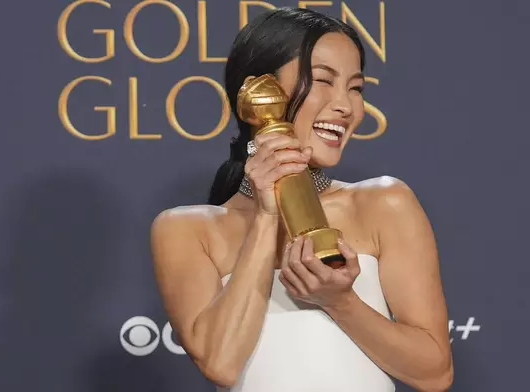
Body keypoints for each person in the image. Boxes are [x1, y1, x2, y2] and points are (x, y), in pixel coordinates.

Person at [151, 7, 453, 392]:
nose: (346, 106)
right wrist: (265, 216)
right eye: (323, 81)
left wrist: (340, 301)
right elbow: (221, 363)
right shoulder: (187, 230)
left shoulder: (385, 203)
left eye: (356, 87)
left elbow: (434, 373)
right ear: (259, 93)